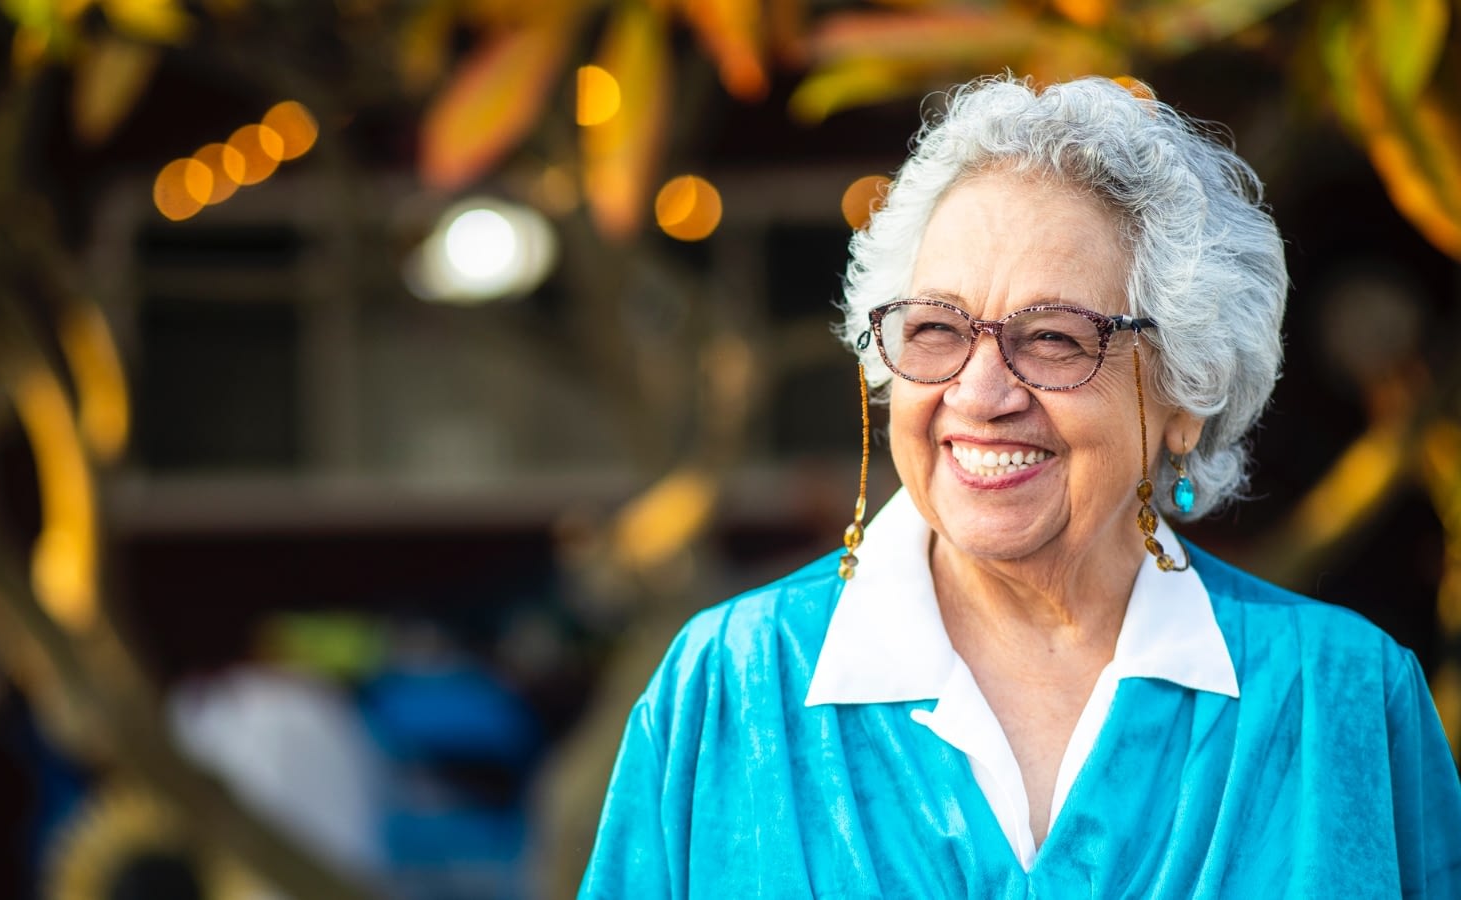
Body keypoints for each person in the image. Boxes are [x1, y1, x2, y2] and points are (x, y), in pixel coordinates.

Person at [577, 75, 1461, 897]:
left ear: (1187, 394)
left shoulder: (1344, 697)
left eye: (1054, 339)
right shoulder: (730, 686)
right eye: (934, 329)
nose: (979, 393)